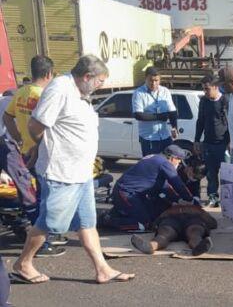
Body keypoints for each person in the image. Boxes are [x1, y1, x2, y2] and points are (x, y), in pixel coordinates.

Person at [10, 55, 135, 285]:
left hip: (81, 172)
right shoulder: (60, 88)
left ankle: (102, 269)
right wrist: (39, 148)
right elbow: (35, 125)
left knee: (87, 223)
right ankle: (23, 264)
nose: (100, 86)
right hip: (62, 171)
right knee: (50, 222)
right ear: (87, 77)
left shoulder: (80, 94)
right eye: (99, 82)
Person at [1, 56, 66, 257]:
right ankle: (42, 243)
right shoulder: (44, 96)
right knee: (44, 198)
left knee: (35, 196)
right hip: (42, 153)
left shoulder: (20, 93)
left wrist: (19, 138)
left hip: (25, 152)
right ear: (49, 74)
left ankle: (44, 235)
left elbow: (7, 117)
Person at [109, 144, 198, 231]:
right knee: (144, 224)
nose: (179, 163)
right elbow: (177, 183)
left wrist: (178, 199)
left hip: (129, 193)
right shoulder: (164, 163)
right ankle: (109, 220)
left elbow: (165, 187)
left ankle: (115, 213)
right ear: (172, 158)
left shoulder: (156, 158)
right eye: (179, 160)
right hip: (126, 193)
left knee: (152, 217)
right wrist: (190, 199)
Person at [194, 75, 229, 207]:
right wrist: (197, 140)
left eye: (207, 89)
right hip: (208, 143)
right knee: (210, 174)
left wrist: (230, 142)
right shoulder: (204, 101)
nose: (205, 92)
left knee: (226, 175)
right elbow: (200, 121)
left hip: (223, 144)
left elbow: (231, 122)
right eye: (203, 89)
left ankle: (228, 199)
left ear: (215, 87)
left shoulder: (225, 100)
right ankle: (213, 198)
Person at [131, 203, 217, 256]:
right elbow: (156, 222)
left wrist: (198, 213)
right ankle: (150, 246)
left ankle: (198, 247)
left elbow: (213, 223)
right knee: (165, 233)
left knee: (195, 232)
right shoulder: (170, 208)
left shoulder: (198, 210)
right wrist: (172, 212)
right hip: (172, 220)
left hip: (193, 220)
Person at [132, 66, 178, 156]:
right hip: (149, 139)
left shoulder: (165, 91)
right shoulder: (139, 93)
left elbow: (172, 111)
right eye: (150, 80)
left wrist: (174, 127)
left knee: (168, 165)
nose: (153, 83)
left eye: (156, 80)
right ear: (145, 79)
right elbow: (138, 115)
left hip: (165, 136)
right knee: (151, 167)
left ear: (160, 79)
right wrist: (159, 117)